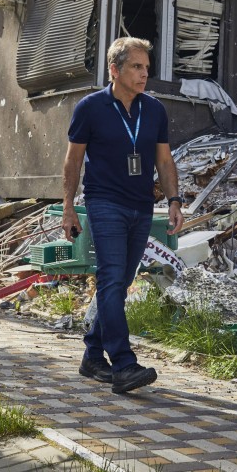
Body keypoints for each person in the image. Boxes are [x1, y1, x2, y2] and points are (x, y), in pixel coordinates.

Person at [61, 36, 184, 394]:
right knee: (112, 278)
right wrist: (68, 207)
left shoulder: (154, 110)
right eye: (136, 67)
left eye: (147, 67)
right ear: (114, 70)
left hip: (141, 205)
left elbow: (164, 160)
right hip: (104, 202)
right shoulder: (90, 108)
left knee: (120, 282)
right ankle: (124, 363)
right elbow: (73, 160)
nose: (145, 74)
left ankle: (92, 355)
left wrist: (174, 200)